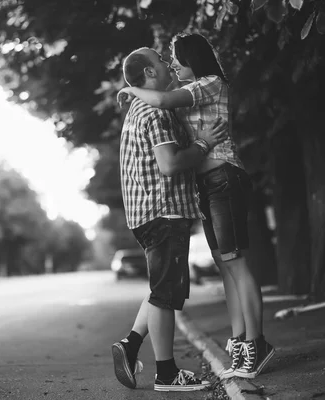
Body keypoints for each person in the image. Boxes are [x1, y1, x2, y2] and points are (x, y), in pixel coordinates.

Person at [117, 33, 275, 380]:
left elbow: (160, 97)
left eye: (174, 58)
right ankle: (239, 340)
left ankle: (256, 342)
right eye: (165, 61)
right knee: (225, 267)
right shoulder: (183, 100)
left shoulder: (210, 83)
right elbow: (163, 111)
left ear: (193, 60)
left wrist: (131, 90)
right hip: (207, 187)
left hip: (224, 181)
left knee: (236, 263)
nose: (171, 64)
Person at [111, 46, 227, 392]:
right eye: (160, 60)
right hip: (163, 212)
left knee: (161, 288)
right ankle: (166, 373)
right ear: (149, 73)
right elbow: (170, 164)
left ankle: (130, 346)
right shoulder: (155, 111)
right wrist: (205, 144)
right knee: (165, 296)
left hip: (147, 213)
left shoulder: (138, 107)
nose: (167, 62)